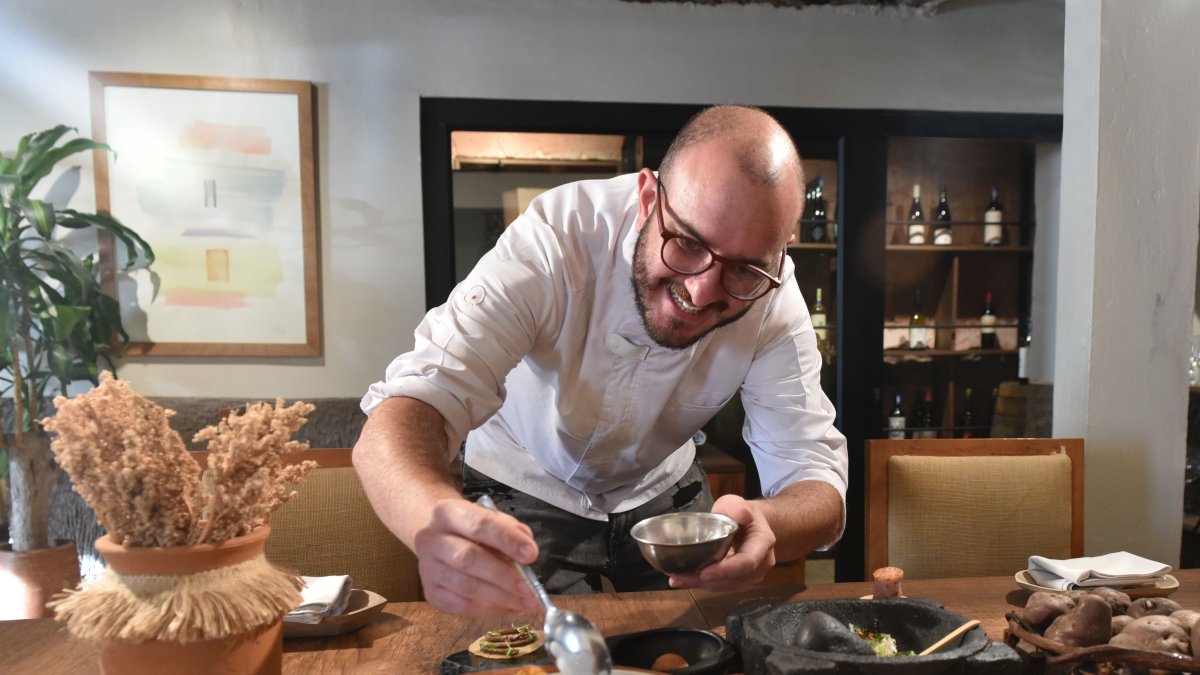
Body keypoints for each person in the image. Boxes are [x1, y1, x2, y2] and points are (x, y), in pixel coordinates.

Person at [354, 105, 848, 617]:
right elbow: (416, 402)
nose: (702, 292)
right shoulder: (557, 238)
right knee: (531, 654)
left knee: (697, 648)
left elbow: (815, 476)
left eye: (744, 270)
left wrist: (770, 525)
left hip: (666, 497)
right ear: (648, 198)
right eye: (687, 243)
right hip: (523, 485)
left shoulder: (773, 295)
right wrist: (430, 519)